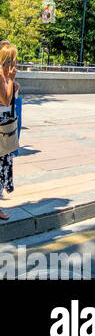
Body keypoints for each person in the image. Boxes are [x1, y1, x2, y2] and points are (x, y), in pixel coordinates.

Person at [0, 41, 20, 220]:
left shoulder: (4, 76)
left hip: (5, 128)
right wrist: (11, 80)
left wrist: (13, 87)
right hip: (0, 131)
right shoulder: (0, 76)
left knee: (2, 168)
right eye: (14, 61)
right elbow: (5, 101)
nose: (16, 64)